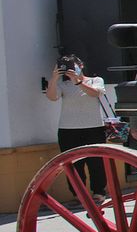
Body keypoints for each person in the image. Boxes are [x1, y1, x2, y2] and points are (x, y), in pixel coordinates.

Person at [43, 53, 113, 202]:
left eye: (73, 66)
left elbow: (95, 94)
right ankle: (78, 194)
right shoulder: (63, 85)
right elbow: (52, 97)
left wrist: (78, 81)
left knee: (96, 162)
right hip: (68, 129)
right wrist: (55, 77)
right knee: (73, 164)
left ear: (80, 66)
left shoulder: (96, 80)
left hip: (93, 127)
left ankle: (99, 192)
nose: (69, 69)